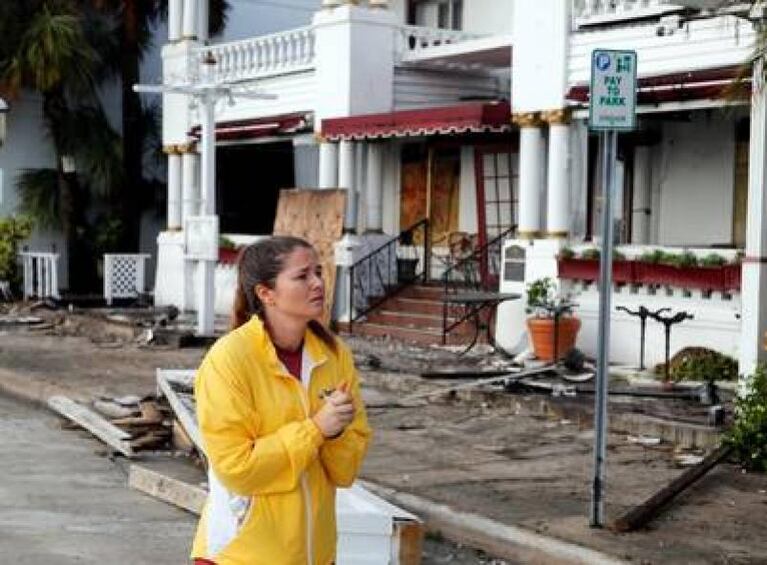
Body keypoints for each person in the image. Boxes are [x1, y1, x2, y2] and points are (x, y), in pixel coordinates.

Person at [190, 236, 372, 565]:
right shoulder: (229, 360)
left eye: (318, 271)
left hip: (316, 555)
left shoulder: (333, 355)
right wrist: (316, 430)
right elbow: (236, 468)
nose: (318, 283)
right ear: (266, 293)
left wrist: (335, 434)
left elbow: (345, 473)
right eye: (302, 276)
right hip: (242, 555)